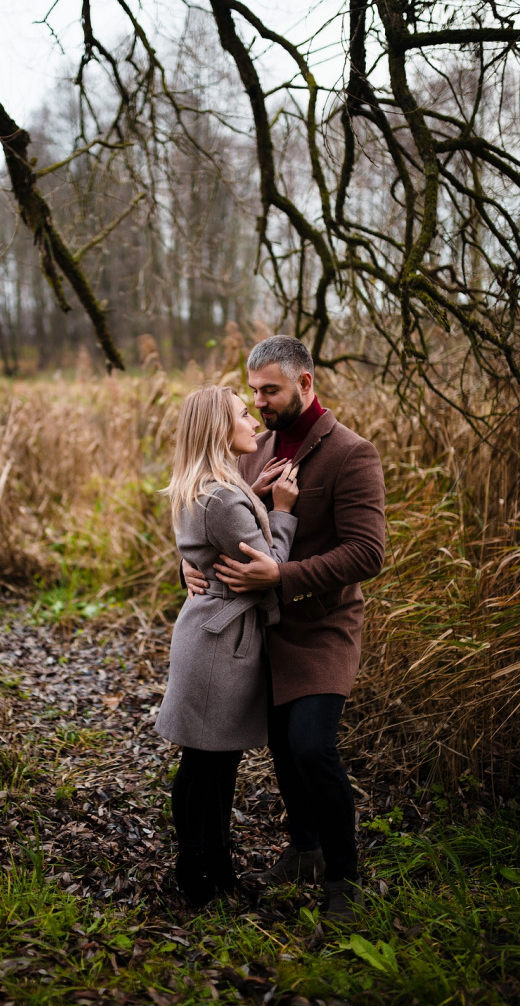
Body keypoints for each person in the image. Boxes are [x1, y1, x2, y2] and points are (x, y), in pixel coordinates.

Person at [182, 336, 386, 924]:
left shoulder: (352, 453)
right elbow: (217, 516)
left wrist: (283, 574)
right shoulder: (253, 447)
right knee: (277, 741)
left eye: (269, 389)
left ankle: (344, 877)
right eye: (253, 391)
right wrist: (189, 565)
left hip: (322, 625)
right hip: (259, 627)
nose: (259, 401)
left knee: (311, 746)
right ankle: (305, 849)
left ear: (305, 383)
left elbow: (368, 553)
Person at [155, 385, 299, 906]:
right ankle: (200, 875)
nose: (254, 422)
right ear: (220, 427)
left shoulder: (206, 488)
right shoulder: (223, 497)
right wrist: (281, 510)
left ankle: (209, 868)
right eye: (243, 413)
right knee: (210, 767)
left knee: (207, 764)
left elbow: (217, 543)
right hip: (222, 643)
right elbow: (267, 568)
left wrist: (255, 496)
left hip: (207, 633)